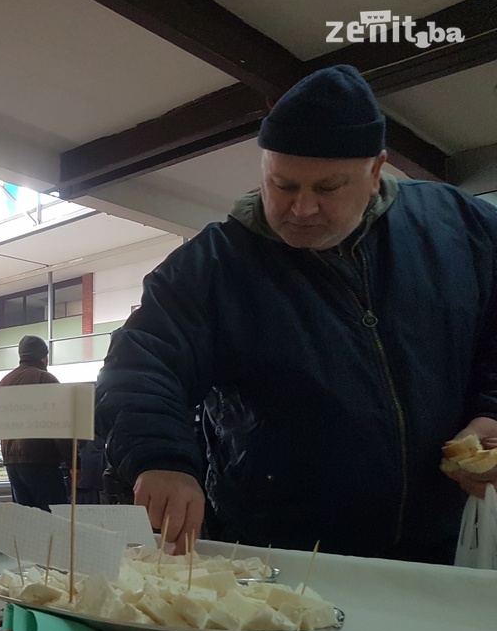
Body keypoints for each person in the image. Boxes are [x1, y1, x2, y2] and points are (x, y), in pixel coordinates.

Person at [96, 64, 497, 565]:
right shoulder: (211, 267)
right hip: (273, 549)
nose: (301, 209)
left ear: (376, 171)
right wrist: (160, 459)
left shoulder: (461, 228)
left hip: (441, 543)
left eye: (328, 188)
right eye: (282, 185)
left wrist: (491, 410)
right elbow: (140, 366)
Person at [0, 335, 71, 511]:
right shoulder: (46, 379)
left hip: (12, 462)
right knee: (55, 518)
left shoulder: (4, 382)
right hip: (41, 460)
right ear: (43, 357)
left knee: (26, 519)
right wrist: (73, 462)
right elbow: (60, 425)